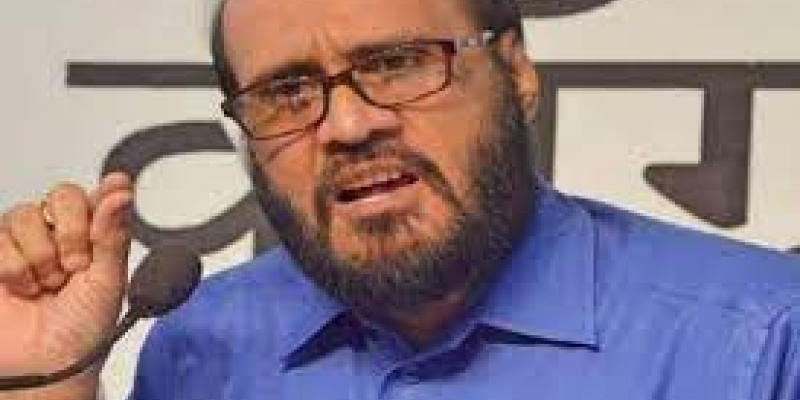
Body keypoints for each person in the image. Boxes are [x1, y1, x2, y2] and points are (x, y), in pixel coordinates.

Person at [1, 0, 800, 399]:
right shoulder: (200, 342)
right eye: (287, 91)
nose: (348, 125)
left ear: (516, 72)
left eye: (397, 63)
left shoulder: (763, 341)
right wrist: (49, 387)